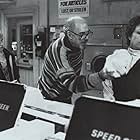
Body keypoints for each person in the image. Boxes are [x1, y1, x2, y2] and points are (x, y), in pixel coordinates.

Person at [38, 16, 106, 103]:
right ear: (70, 35)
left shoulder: (78, 45)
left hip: (65, 94)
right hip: (49, 97)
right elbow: (73, 85)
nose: (86, 38)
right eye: (81, 35)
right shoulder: (59, 51)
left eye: (87, 33)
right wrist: (101, 75)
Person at [99, 15, 140, 101]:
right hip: (118, 110)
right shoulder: (115, 58)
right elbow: (107, 91)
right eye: (139, 33)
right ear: (129, 35)